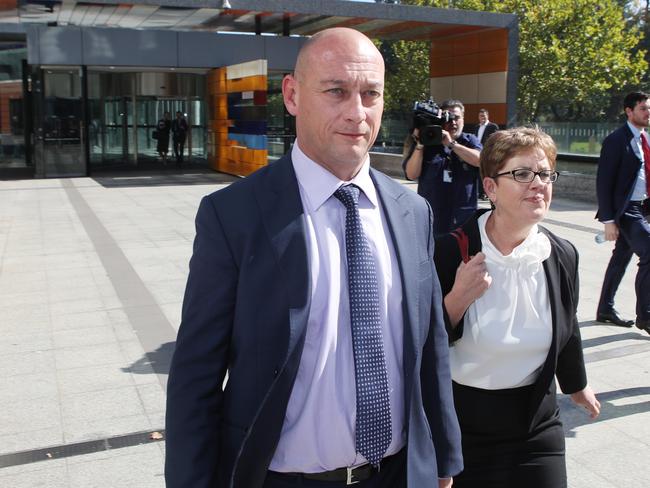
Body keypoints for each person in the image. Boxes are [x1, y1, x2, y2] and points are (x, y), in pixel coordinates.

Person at [165, 27, 462, 488]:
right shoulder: (233, 215)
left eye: (370, 94)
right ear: (292, 95)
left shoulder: (412, 212)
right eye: (337, 91)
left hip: (397, 474)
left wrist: (443, 458)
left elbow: (430, 346)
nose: (357, 113)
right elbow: (196, 372)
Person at [434, 127, 600, 487]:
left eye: (544, 174)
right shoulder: (447, 252)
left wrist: (577, 385)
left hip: (535, 425)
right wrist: (457, 300)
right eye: (522, 174)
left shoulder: (561, 253)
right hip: (462, 427)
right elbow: (415, 346)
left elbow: (567, 323)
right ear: (490, 187)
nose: (538, 183)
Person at [595, 91, 650, 332]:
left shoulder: (644, 138)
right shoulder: (617, 140)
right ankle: (646, 316)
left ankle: (605, 309)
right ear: (629, 111)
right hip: (626, 210)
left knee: (621, 257)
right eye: (643, 108)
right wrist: (608, 219)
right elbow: (604, 181)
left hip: (642, 207)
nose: (648, 113)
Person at [403, 99, 482, 235]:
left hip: (463, 220)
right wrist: (420, 144)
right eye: (448, 118)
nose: (453, 122)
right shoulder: (428, 142)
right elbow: (411, 174)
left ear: (463, 119)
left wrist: (451, 144)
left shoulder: (470, 140)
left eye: (457, 118)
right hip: (432, 220)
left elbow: (480, 160)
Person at [474, 108, 499, 200]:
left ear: (487, 116)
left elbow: (496, 140)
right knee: (478, 172)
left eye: (484, 116)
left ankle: (485, 193)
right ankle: (480, 193)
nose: (482, 117)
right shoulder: (477, 127)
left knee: (486, 173)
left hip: (488, 153)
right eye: (480, 116)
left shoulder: (493, 126)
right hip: (478, 152)